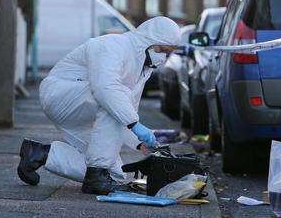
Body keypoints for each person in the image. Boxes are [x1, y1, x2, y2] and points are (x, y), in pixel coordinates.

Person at [17, 17, 181, 195]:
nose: (164, 57)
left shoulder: (142, 68)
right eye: (162, 49)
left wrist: (139, 143)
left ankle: (39, 154)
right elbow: (105, 89)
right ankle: (95, 175)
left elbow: (123, 114)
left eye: (168, 53)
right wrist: (135, 125)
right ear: (148, 40)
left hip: (85, 106)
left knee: (115, 174)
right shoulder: (113, 45)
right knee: (115, 96)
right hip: (58, 94)